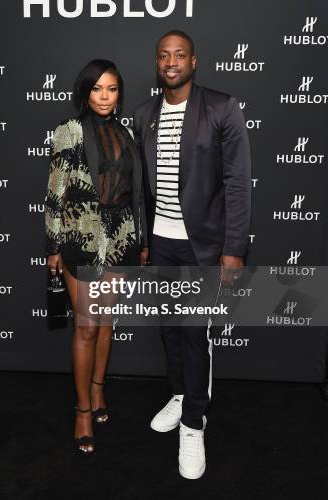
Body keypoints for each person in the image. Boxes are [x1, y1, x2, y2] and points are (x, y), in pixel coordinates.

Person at [133, 30, 251, 479]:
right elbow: (142, 189)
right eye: (164, 55)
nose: (171, 62)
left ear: (194, 62)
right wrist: (145, 239)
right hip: (160, 244)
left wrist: (233, 249)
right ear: (157, 62)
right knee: (168, 327)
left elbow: (238, 184)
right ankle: (180, 393)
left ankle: (194, 423)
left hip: (202, 244)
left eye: (180, 55)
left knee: (192, 332)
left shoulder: (222, 108)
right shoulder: (144, 115)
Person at [45, 59, 148, 455]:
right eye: (97, 89)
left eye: (112, 89)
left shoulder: (126, 133)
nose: (105, 97)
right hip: (82, 238)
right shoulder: (69, 132)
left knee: (106, 322)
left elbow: (135, 192)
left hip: (120, 236)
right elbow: (55, 192)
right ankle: (83, 410)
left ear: (119, 93)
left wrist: (139, 239)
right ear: (85, 93)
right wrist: (52, 248)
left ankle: (99, 390)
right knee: (86, 327)